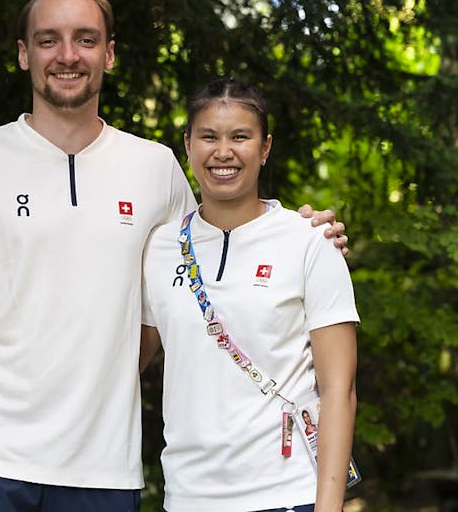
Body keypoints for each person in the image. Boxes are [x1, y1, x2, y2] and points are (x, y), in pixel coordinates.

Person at [0, 0, 348, 512]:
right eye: (48, 40)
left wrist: (305, 230)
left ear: (108, 54)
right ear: (23, 54)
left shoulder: (154, 168)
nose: (67, 55)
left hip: (104, 466)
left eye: (85, 39)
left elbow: (218, 244)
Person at [137, 79, 359, 512]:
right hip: (187, 497)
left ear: (265, 147)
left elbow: (339, 389)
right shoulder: (158, 248)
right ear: (188, 145)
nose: (224, 152)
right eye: (208, 136)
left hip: (287, 495)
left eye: (240, 136)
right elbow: (126, 363)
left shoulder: (309, 242)